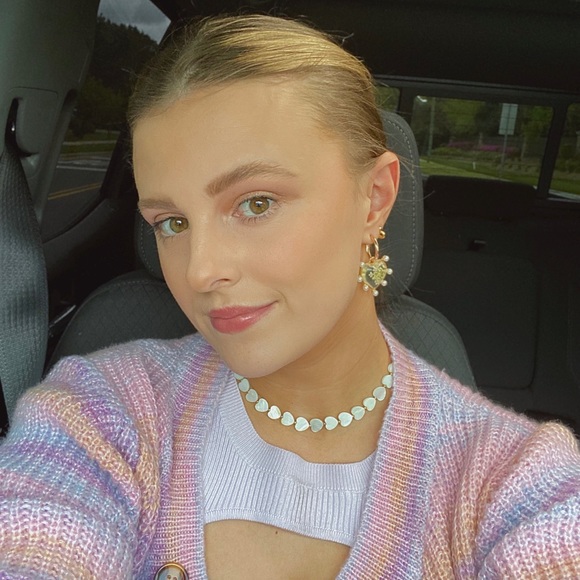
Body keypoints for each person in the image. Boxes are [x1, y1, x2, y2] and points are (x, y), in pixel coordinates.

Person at [1, 14, 579, 580]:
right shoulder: (101, 411)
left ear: (375, 200)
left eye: (256, 203)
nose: (201, 271)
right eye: (171, 222)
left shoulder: (514, 480)